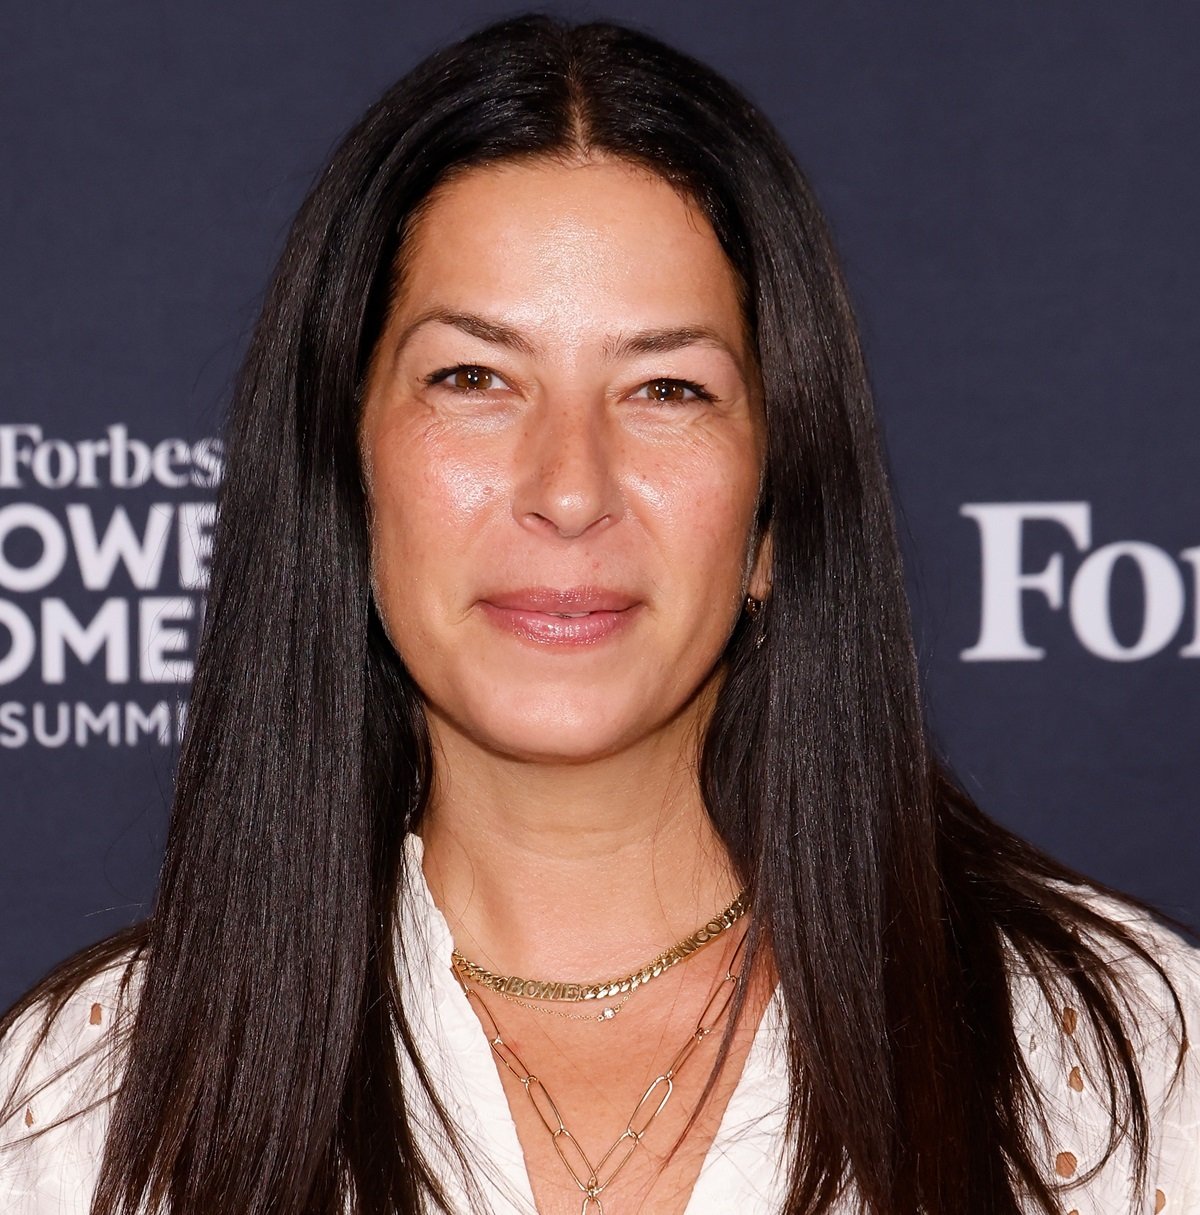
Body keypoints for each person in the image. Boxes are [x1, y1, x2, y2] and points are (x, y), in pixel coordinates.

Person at [1, 13, 1197, 1215]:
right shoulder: (85, 1108)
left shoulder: (1119, 1066)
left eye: (667, 389)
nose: (569, 489)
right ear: (344, 471)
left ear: (776, 510)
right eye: (474, 379)